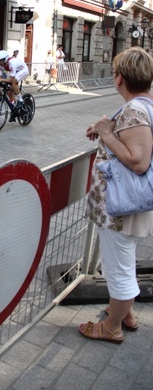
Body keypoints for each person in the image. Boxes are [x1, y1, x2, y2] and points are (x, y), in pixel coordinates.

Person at [79, 47, 153, 344]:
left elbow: (139, 161)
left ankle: (112, 326)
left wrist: (108, 135)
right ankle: (126, 313)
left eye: (113, 73)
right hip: (128, 207)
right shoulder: (140, 106)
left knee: (118, 268)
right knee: (123, 261)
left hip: (121, 208)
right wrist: (108, 128)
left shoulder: (135, 110)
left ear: (119, 78)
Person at [0, 50, 29, 122]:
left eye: (0, 61)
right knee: (9, 92)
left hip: (23, 70)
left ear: (5, 59)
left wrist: (0, 80)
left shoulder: (12, 63)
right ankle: (14, 109)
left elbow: (11, 80)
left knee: (13, 82)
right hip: (15, 72)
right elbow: (0, 77)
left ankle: (20, 100)